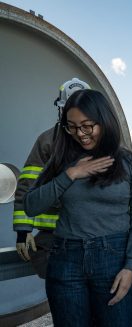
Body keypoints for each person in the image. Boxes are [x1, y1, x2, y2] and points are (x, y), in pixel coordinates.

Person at [24, 89, 132, 326]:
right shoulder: (62, 161)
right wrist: (70, 174)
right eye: (71, 127)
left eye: (86, 126)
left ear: (105, 121)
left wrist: (130, 267)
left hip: (113, 261)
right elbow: (31, 206)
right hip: (65, 259)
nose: (79, 134)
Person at [13, 78, 90, 278]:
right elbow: (27, 185)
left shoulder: (104, 142)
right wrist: (23, 230)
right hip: (53, 235)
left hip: (92, 232)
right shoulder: (48, 141)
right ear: (61, 110)